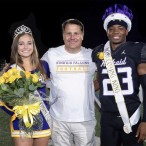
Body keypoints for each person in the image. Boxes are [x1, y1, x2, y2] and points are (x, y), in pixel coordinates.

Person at [92, 3, 146, 146]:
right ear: (107, 32)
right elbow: (99, 82)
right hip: (107, 118)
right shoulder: (98, 52)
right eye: (111, 29)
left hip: (131, 116)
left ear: (127, 31)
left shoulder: (138, 49)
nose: (116, 31)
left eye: (120, 28)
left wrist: (145, 121)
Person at [42, 18, 97, 146]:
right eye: (68, 33)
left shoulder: (92, 55)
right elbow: (36, 70)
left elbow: (104, 76)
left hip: (85, 119)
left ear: (82, 35)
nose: (72, 37)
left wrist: (92, 89)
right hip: (58, 119)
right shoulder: (52, 54)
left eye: (76, 33)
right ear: (63, 35)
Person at [0, 25, 51, 146]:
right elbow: (3, 99)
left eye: (29, 43)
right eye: (21, 44)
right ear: (15, 46)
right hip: (21, 121)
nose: (26, 47)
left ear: (34, 45)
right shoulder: (10, 70)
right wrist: (17, 111)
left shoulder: (44, 66)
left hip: (43, 120)